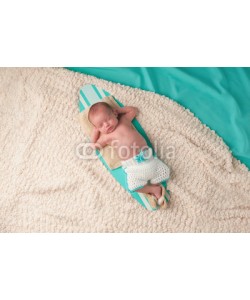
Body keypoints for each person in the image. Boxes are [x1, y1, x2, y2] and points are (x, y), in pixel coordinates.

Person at [88, 102, 170, 205]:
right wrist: (95, 132)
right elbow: (94, 146)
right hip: (132, 166)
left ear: (114, 113)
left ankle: (157, 186)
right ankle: (153, 190)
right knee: (134, 187)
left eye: (108, 119)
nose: (106, 125)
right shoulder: (105, 137)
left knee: (164, 172)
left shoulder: (124, 120)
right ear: (98, 129)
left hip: (147, 157)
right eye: (100, 125)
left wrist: (119, 110)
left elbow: (134, 110)